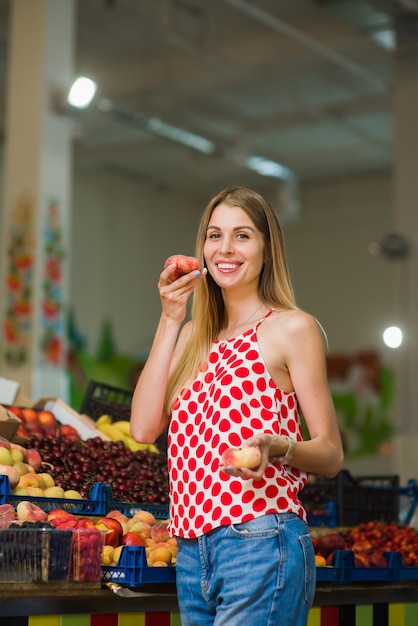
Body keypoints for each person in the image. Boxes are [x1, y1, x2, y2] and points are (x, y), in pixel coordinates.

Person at [130, 185, 344, 626]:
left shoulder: (291, 328)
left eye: (242, 236)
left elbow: (330, 453)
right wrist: (170, 317)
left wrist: (277, 446)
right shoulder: (192, 336)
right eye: (214, 235)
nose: (225, 249)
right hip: (191, 552)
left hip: (261, 541)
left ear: (267, 248)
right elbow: (143, 428)